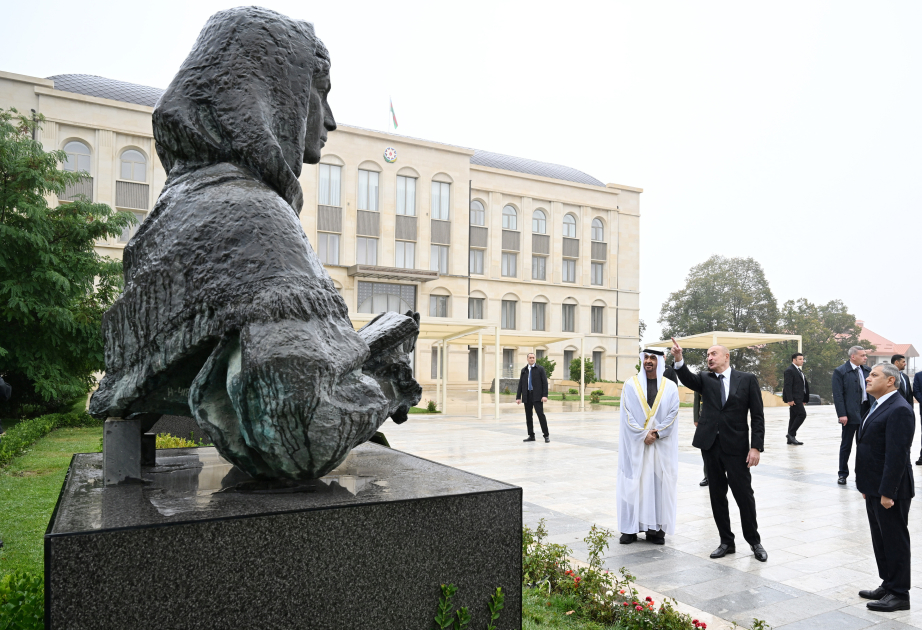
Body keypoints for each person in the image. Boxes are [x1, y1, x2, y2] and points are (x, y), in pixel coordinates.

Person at [670, 338, 768, 562]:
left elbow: (758, 416)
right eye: (707, 355)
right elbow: (687, 378)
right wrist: (678, 359)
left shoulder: (747, 379)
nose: (709, 358)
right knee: (717, 495)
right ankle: (726, 541)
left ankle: (754, 542)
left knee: (744, 496)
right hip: (710, 447)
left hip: (737, 448)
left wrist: (755, 447)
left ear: (727, 357)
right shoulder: (705, 378)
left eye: (713, 354)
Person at [856, 363, 914, 612]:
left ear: (890, 381)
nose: (868, 378)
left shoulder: (900, 409)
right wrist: (868, 485)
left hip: (891, 490)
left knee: (894, 540)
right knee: (880, 540)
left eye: (874, 375)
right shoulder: (877, 404)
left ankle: (900, 593)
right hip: (874, 486)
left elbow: (897, 455)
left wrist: (888, 492)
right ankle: (888, 583)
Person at [617, 349, 680, 545]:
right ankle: (630, 529)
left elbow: (673, 413)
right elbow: (626, 414)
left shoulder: (669, 387)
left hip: (660, 446)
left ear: (660, 361)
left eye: (653, 358)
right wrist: (643, 434)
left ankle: (655, 530)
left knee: (657, 484)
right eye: (646, 357)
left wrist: (657, 433)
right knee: (633, 483)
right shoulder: (630, 385)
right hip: (636, 445)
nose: (648, 361)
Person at [832, 346, 873, 485]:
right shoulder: (840, 371)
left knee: (864, 445)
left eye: (865, 355)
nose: (865, 358)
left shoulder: (868, 371)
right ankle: (842, 474)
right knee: (846, 445)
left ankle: (862, 473)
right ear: (853, 356)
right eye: (862, 355)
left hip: (866, 412)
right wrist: (842, 414)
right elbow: (838, 395)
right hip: (849, 414)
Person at [517, 353, 549, 443]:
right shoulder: (524, 370)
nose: (532, 359)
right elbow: (520, 384)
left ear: (535, 359)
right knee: (528, 416)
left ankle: (546, 435)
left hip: (537, 396)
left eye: (533, 358)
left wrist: (544, 395)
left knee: (540, 415)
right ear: (527, 359)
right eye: (530, 358)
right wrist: (518, 397)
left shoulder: (540, 369)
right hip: (527, 396)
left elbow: (545, 383)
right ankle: (531, 435)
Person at [782, 353, 810, 445]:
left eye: (803, 359)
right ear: (794, 360)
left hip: (799, 398)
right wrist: (790, 399)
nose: (803, 361)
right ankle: (790, 434)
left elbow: (803, 386)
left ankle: (790, 438)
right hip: (794, 398)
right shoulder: (790, 370)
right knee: (802, 415)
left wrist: (804, 399)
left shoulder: (798, 370)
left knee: (793, 417)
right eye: (800, 359)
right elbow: (787, 386)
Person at [692, 391, 708, 486]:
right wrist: (696, 418)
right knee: (706, 448)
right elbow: (697, 398)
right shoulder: (701, 376)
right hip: (704, 418)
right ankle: (707, 476)